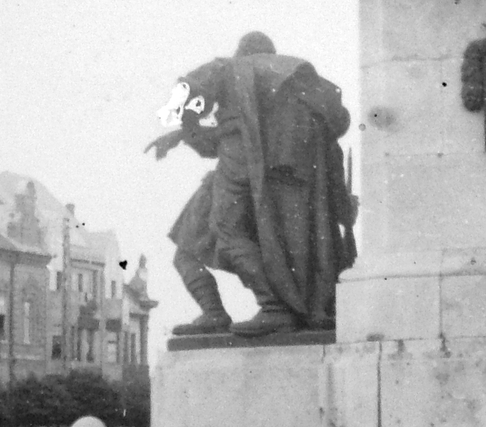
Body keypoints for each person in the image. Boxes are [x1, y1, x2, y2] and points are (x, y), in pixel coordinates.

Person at [149, 32, 355, 337]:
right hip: (281, 172)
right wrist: (185, 134)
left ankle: (274, 307)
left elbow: (191, 89)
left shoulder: (234, 68)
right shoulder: (293, 82)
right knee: (209, 243)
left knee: (226, 232)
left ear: (241, 52)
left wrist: (185, 124)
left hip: (241, 163)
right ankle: (225, 312)